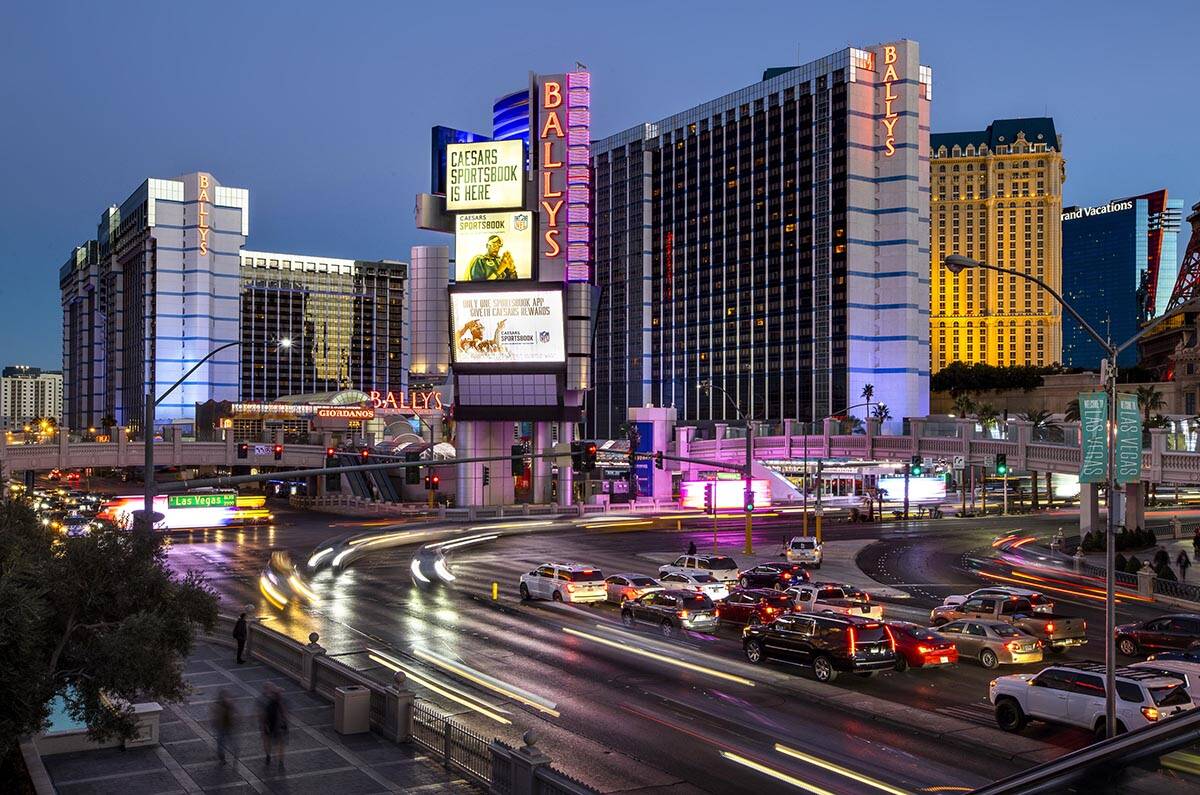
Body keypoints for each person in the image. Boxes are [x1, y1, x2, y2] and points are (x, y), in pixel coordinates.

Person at [260, 684, 288, 766]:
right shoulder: (271, 705)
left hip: (276, 727)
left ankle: (276, 758)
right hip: (273, 726)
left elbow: (284, 714)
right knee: (277, 743)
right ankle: (277, 759)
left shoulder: (273, 704)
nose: (281, 695)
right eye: (280, 694)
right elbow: (264, 716)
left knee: (278, 743)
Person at [212, 690, 236, 764]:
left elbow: (235, 712)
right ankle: (222, 757)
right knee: (221, 743)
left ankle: (235, 752)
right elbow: (214, 714)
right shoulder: (217, 705)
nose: (226, 698)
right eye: (224, 696)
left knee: (229, 741)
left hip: (228, 726)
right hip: (221, 727)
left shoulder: (229, 704)